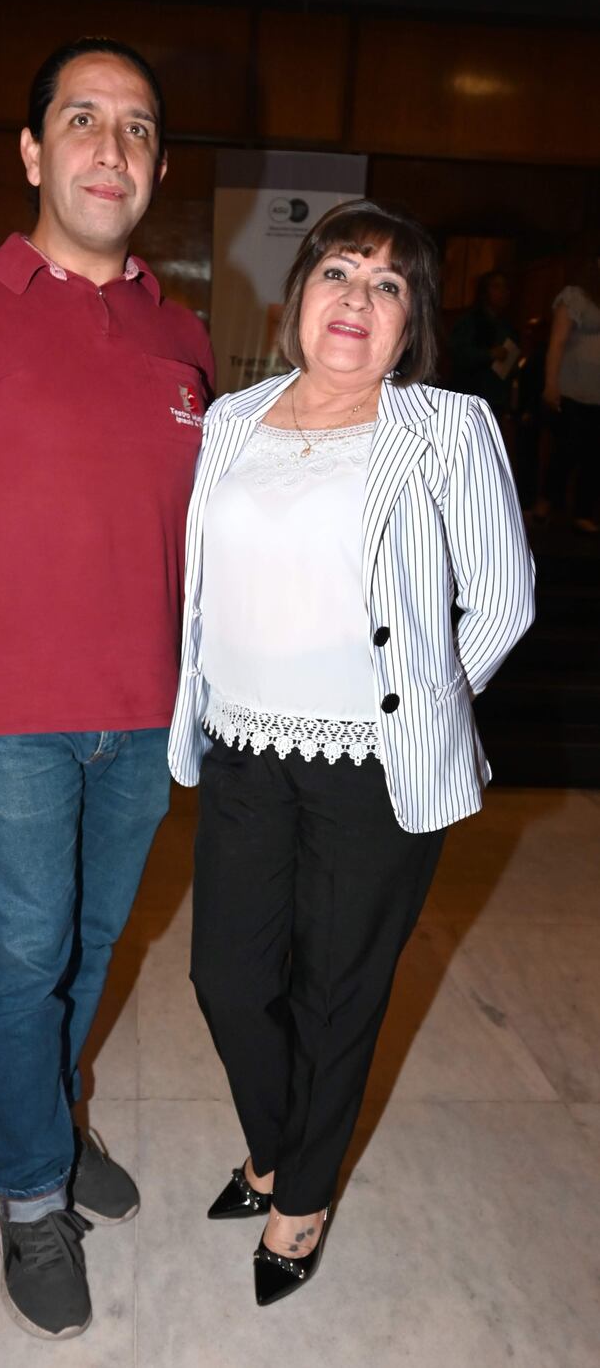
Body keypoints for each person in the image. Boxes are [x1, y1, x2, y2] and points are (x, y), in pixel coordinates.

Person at [0, 37, 214, 1341]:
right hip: (5, 718)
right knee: (22, 962)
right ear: (32, 152)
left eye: (136, 127)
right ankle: (27, 1194)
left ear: (158, 166)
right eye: (82, 119)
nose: (109, 147)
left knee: (87, 946)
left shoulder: (182, 335)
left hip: (142, 716)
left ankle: (55, 1125)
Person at [168, 200, 534, 1307]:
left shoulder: (447, 429)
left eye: (388, 285)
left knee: (337, 993)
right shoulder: (232, 419)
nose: (357, 299)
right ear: (298, 298)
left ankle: (299, 1191)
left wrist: (417, 704)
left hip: (370, 766)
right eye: (338, 271)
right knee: (227, 978)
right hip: (242, 745)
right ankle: (279, 1140)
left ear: (410, 322)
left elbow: (503, 601)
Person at [539, 239, 600, 533]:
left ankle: (583, 512)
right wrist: (551, 384)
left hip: (597, 392)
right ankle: (546, 503)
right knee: (568, 447)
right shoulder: (574, 297)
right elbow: (557, 342)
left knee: (594, 453)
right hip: (572, 388)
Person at [449, 269, 519, 420]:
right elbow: (459, 354)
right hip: (471, 397)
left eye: (505, 287)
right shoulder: (469, 322)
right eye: (496, 286)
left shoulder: (508, 326)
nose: (502, 292)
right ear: (484, 291)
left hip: (496, 400)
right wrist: (489, 354)